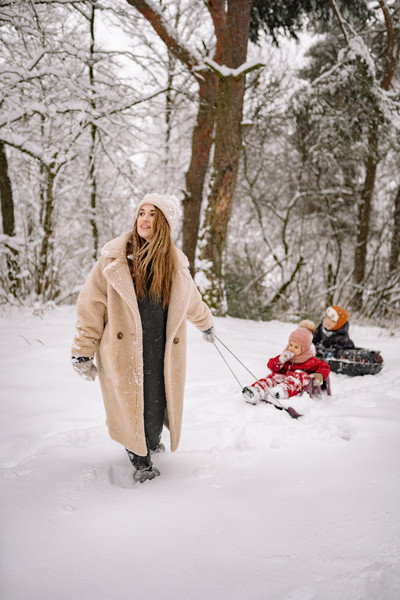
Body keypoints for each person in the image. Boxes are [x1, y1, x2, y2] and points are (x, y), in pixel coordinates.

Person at [71, 193, 215, 483]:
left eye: (152, 214)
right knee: (132, 403)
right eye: (141, 213)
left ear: (164, 223)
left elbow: (192, 302)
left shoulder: (175, 266)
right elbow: (91, 305)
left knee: (157, 402)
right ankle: (140, 459)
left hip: (160, 351)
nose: (145, 219)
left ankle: (149, 442)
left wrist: (207, 324)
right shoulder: (114, 260)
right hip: (124, 351)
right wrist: (82, 349)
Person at [242, 320, 330, 404]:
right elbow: (271, 365)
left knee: (300, 374)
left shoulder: (310, 360)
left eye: (296, 347)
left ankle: (280, 392)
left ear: (305, 349)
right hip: (281, 378)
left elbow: (324, 366)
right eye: (290, 345)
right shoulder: (286, 356)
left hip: (295, 384)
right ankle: (256, 390)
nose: (291, 348)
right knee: (271, 378)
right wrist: (280, 360)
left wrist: (320, 374)